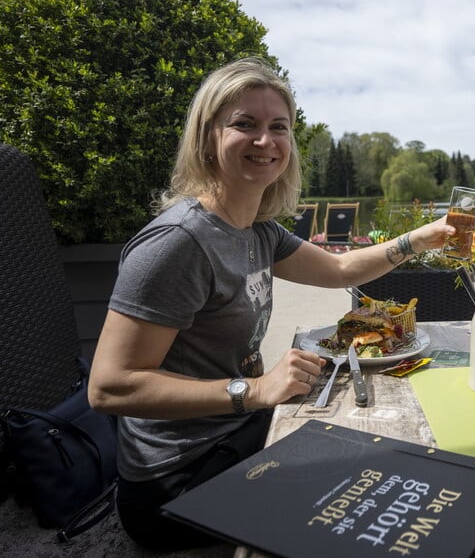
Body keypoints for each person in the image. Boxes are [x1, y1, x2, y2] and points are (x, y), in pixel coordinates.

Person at [88, 57, 452, 550]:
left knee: (397, 459)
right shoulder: (178, 244)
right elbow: (110, 388)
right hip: (177, 480)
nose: (266, 141)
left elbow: (341, 270)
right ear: (207, 136)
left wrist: (421, 240)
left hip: (242, 435)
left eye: (278, 127)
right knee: (370, 511)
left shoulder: (257, 229)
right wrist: (255, 390)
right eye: (245, 124)